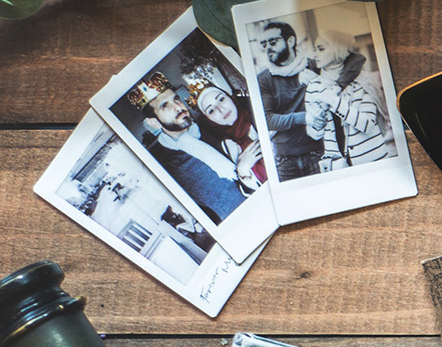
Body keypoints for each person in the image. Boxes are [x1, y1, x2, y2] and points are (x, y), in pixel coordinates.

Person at [126, 73, 245, 223]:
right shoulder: (170, 167)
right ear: (154, 123)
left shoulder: (210, 121)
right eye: (165, 106)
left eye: (176, 99)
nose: (178, 107)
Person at [303, 35, 397, 170]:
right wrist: (315, 122)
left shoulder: (362, 81)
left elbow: (367, 125)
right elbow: (314, 135)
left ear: (338, 50)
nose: (314, 54)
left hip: (372, 161)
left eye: (321, 49)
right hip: (338, 167)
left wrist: (334, 100)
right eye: (314, 49)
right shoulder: (313, 86)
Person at [252, 20, 323, 180]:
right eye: (264, 44)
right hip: (285, 161)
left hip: (318, 152)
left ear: (290, 41)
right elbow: (267, 119)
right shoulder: (264, 79)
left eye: (273, 41)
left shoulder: (314, 66)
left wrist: (318, 82)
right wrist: (304, 117)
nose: (268, 47)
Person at [186, 66, 265, 192]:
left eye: (221, 99)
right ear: (209, 120)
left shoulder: (263, 110)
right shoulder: (224, 148)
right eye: (211, 110)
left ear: (230, 97)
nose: (221, 109)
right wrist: (243, 171)